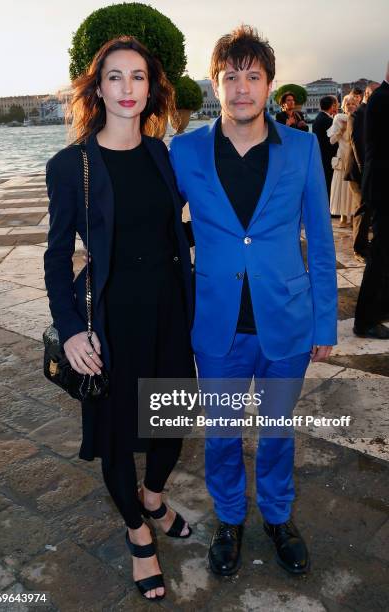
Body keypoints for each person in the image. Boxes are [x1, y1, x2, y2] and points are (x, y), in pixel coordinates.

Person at [169, 25, 337, 576]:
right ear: (215, 85)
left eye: (253, 77)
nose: (242, 88)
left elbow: (320, 238)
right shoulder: (186, 151)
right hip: (216, 324)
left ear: (268, 85)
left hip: (286, 323)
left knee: (276, 431)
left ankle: (279, 516)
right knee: (220, 435)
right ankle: (231, 518)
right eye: (230, 77)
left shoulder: (304, 148)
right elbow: (160, 228)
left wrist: (325, 324)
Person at [44, 36, 196, 601]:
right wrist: (71, 328)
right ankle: (138, 532)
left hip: (168, 309)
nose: (127, 88)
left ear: (152, 87)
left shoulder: (162, 153)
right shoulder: (71, 166)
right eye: (115, 77)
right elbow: (57, 256)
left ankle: (153, 496)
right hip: (107, 316)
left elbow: (170, 231)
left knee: (170, 424)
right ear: (97, 87)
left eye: (138, 77)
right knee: (114, 437)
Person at [354, 63, 389, 339]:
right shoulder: (383, 99)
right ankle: (365, 320)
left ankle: (380, 308)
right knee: (379, 254)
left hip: (382, 186)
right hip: (384, 188)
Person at [345, 83, 379, 261]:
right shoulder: (357, 114)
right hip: (359, 171)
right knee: (363, 208)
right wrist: (364, 170)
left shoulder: (374, 112)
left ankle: (367, 245)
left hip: (371, 169)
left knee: (369, 208)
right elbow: (357, 144)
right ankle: (359, 249)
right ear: (367, 94)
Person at [327, 94, 359, 226]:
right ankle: (343, 216)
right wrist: (341, 130)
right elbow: (331, 140)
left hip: (354, 158)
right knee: (341, 188)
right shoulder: (338, 119)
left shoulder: (359, 119)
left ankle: (352, 216)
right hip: (341, 158)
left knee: (353, 189)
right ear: (343, 106)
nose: (350, 106)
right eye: (348, 104)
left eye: (353, 104)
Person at [312, 95, 339, 198]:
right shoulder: (328, 121)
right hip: (328, 157)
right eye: (336, 105)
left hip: (321, 155)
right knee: (329, 182)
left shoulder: (319, 118)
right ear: (332, 106)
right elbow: (333, 140)